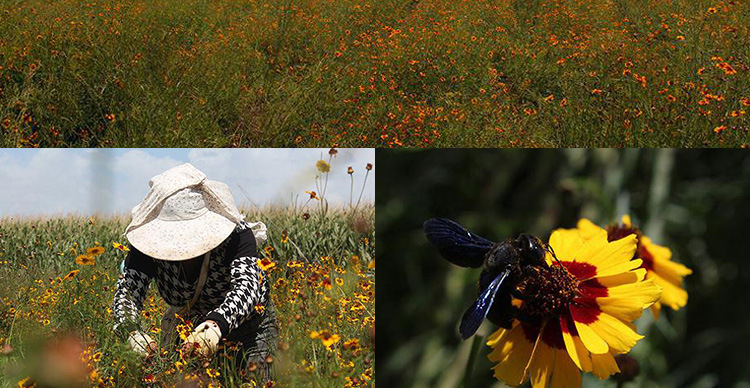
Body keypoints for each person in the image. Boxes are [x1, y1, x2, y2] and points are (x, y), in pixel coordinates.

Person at [111, 163, 278, 382]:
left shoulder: (236, 236)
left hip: (249, 328)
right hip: (190, 329)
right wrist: (131, 331)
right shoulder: (147, 247)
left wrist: (216, 325)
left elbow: (247, 287)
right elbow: (127, 294)